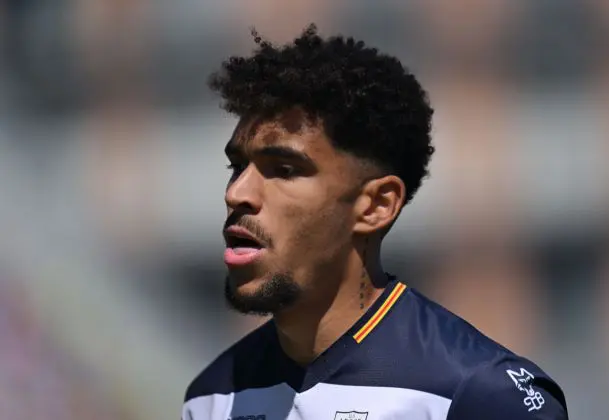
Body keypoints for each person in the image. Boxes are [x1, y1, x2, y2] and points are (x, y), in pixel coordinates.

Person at [182, 25, 568, 420]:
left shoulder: (481, 395)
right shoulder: (211, 397)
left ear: (376, 206)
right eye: (238, 166)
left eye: (283, 169)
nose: (237, 193)